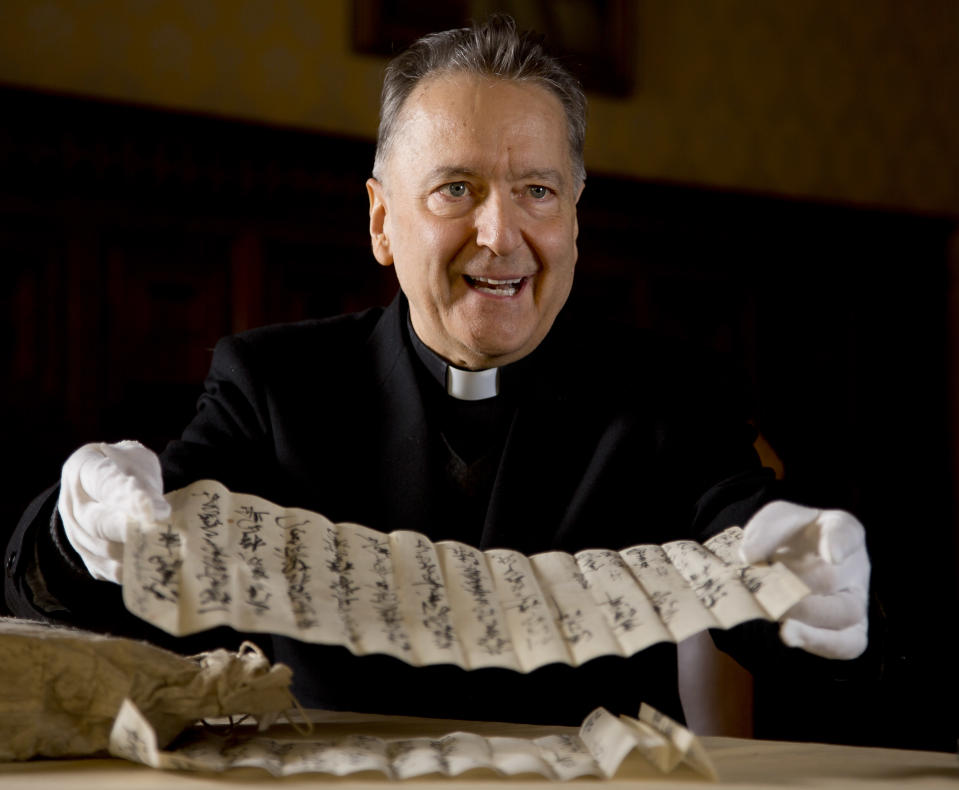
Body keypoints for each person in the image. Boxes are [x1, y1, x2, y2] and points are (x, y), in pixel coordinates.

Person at [4, 16, 869, 726]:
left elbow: (763, 552)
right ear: (381, 222)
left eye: (538, 191)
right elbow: (105, 583)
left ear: (574, 220)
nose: (501, 236)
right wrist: (82, 532)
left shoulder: (669, 397)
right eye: (455, 189)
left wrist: (819, 584)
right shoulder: (275, 385)